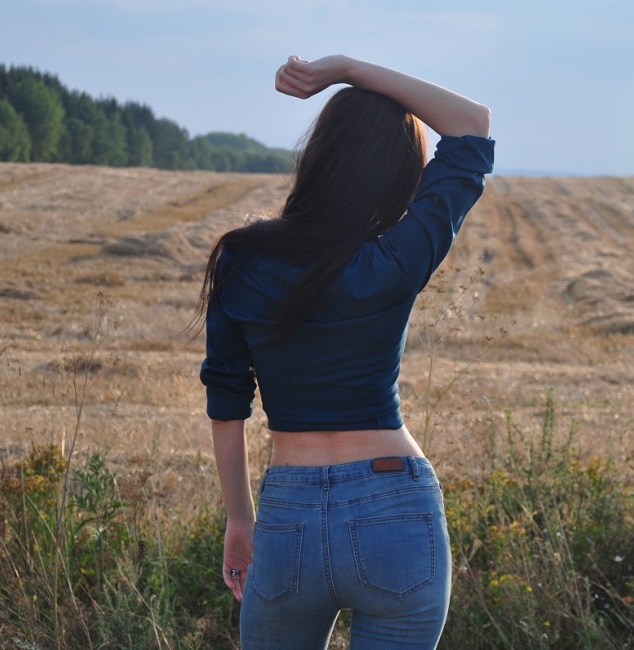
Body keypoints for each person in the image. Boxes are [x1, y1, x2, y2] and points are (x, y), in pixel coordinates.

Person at [197, 54, 493, 649]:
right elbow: (471, 125)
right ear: (398, 174)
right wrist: (347, 69)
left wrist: (239, 518)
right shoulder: (393, 260)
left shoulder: (243, 260)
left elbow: (227, 402)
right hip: (396, 504)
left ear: (318, 158)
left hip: (289, 513)